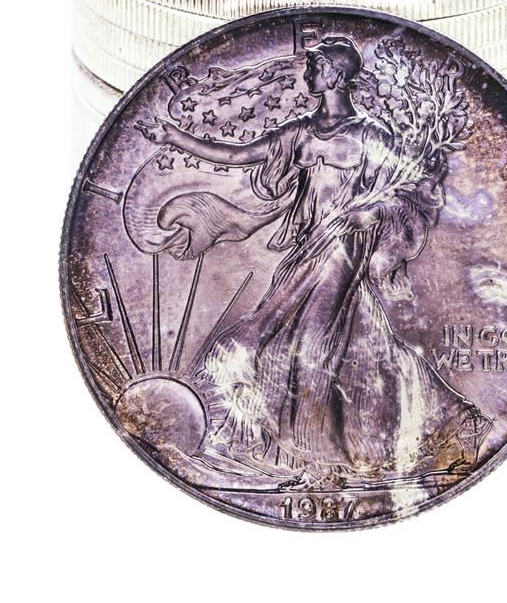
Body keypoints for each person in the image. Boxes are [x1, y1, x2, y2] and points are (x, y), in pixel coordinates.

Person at [139, 35, 488, 488]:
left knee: (309, 346)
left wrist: (369, 212)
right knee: (355, 346)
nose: (308, 73)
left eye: (316, 67)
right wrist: (173, 136)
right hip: (307, 250)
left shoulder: (371, 136)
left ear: (336, 75)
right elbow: (237, 156)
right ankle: (427, 429)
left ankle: (318, 460)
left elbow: (412, 191)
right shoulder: (300, 131)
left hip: (344, 251)